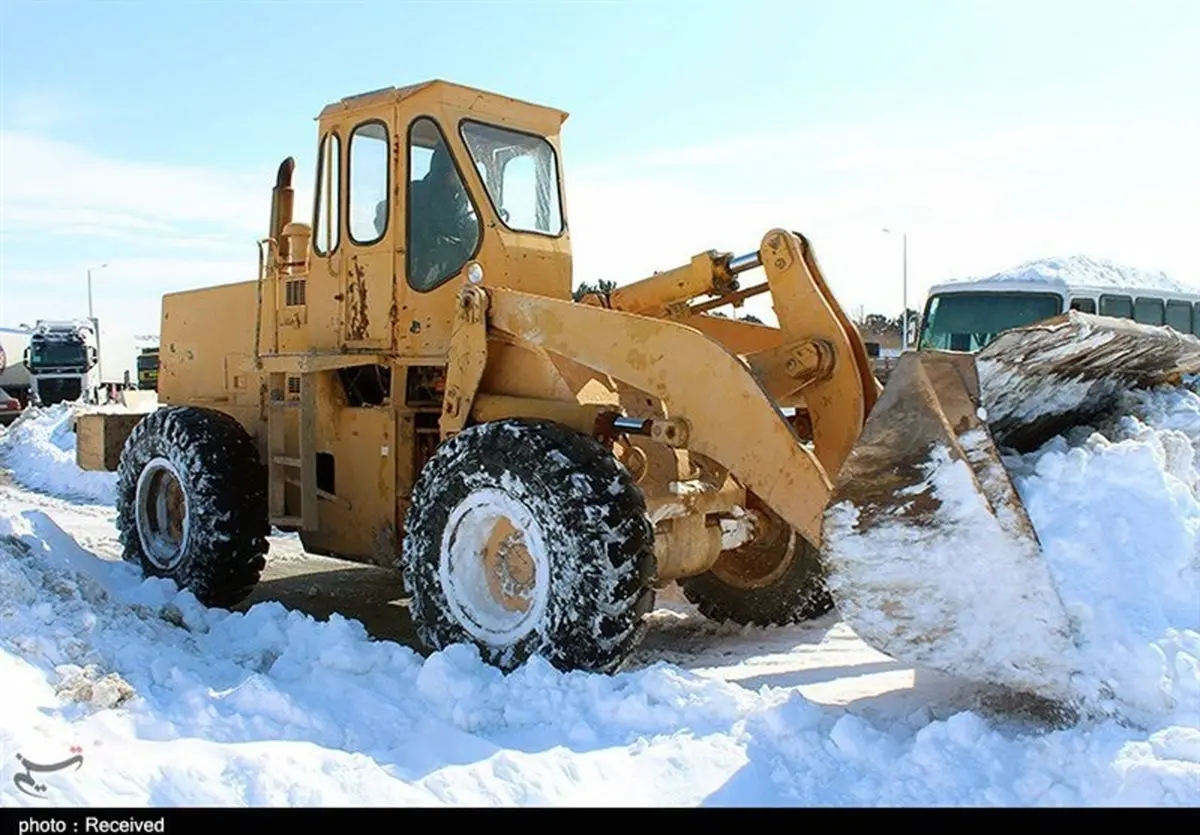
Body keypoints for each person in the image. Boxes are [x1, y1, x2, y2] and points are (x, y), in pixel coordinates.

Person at [407, 141, 478, 288]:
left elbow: (460, 223)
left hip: (442, 259)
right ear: (445, 167)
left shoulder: (457, 198)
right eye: (460, 167)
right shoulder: (419, 193)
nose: (464, 176)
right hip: (418, 265)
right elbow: (428, 232)